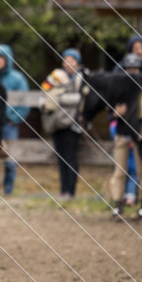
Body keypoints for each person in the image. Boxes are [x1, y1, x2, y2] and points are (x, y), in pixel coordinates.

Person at [105, 52, 142, 221]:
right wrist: (115, 114)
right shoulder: (117, 91)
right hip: (122, 135)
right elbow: (109, 115)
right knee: (119, 171)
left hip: (138, 136)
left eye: (135, 69)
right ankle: (117, 205)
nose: (132, 72)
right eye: (129, 69)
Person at [41, 48, 87, 200]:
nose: (68, 63)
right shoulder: (56, 76)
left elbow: (82, 98)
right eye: (66, 60)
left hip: (72, 124)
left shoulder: (82, 77)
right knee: (60, 158)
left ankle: (71, 191)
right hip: (56, 123)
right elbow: (45, 91)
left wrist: (59, 98)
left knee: (70, 157)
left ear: (77, 62)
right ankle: (63, 190)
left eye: (72, 60)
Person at [0, 44, 29, 195]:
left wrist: (14, 118)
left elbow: (25, 101)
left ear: (7, 59)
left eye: (0, 57)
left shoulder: (17, 79)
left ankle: (8, 189)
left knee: (10, 160)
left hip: (9, 125)